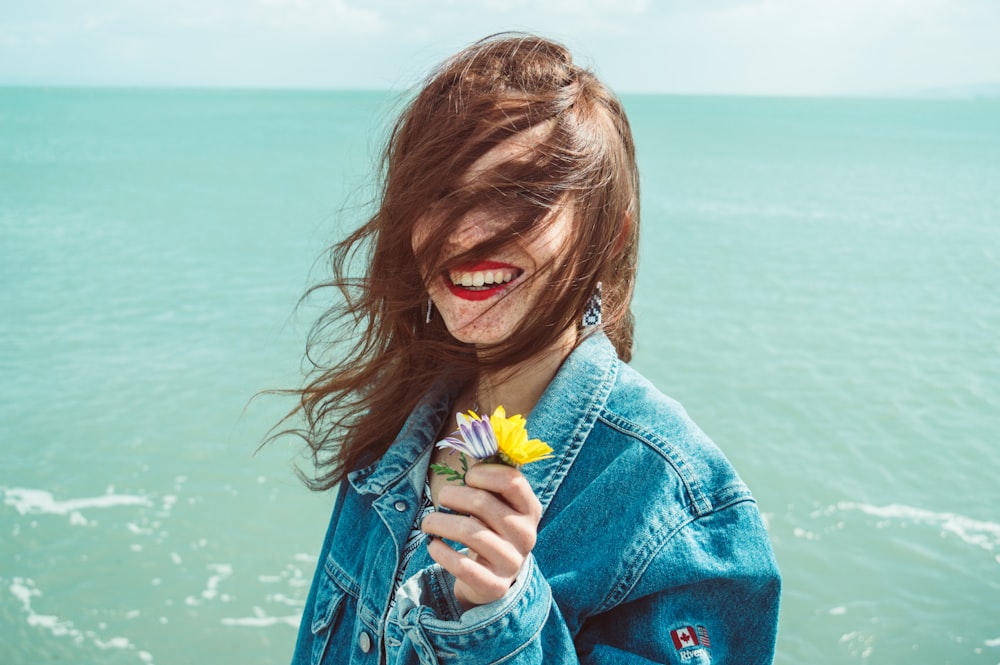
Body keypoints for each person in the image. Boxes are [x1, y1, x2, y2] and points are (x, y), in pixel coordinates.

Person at [285, 33, 780, 664]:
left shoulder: (680, 509)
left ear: (609, 231)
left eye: (521, 194)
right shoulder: (401, 431)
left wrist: (500, 617)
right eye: (441, 193)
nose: (466, 231)